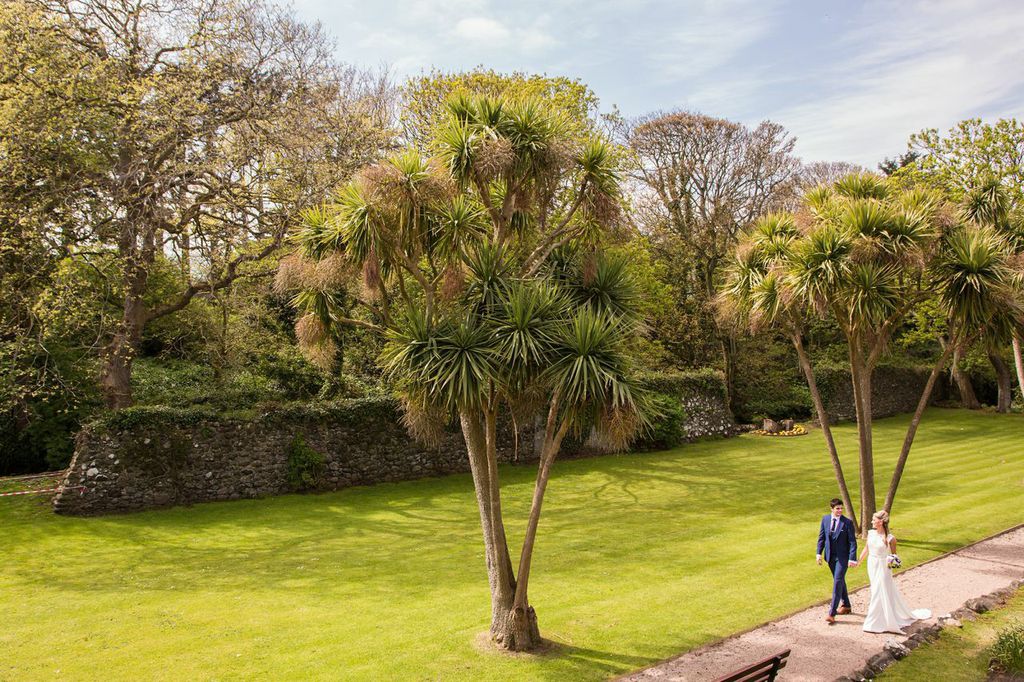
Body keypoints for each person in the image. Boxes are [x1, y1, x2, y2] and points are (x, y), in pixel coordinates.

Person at [856, 510, 931, 633]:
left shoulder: (890, 539)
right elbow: (866, 548)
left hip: (883, 567)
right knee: (875, 589)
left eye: (874, 520)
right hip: (872, 564)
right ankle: (882, 618)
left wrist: (890, 561)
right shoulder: (871, 533)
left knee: (878, 591)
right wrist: (859, 561)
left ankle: (873, 623)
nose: (871, 521)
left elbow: (894, 556)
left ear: (880, 522)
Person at [816, 498, 858, 624]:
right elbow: (822, 537)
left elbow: (852, 542)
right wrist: (818, 553)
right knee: (839, 580)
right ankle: (846, 605)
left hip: (842, 558)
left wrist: (852, 558)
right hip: (830, 557)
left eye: (841, 508)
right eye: (837, 508)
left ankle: (832, 613)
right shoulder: (825, 519)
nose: (840, 510)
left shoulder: (847, 522)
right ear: (832, 509)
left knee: (837, 581)